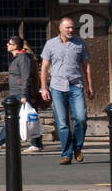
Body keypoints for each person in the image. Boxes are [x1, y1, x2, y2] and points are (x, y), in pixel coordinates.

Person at [40, 16, 94, 165]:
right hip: (57, 87)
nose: (71, 30)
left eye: (72, 27)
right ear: (60, 28)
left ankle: (77, 147)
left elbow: (86, 66)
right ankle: (66, 154)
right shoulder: (50, 44)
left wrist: (90, 86)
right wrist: (43, 88)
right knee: (63, 123)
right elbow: (44, 67)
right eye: (68, 27)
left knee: (81, 118)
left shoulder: (79, 44)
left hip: (75, 86)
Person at [0, 35, 42, 153]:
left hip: (20, 93)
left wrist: (24, 95)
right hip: (15, 92)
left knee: (25, 118)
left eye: (9, 43)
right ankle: (36, 144)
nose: (7, 45)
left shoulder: (23, 58)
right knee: (27, 117)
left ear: (15, 46)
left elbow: (25, 77)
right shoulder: (16, 58)